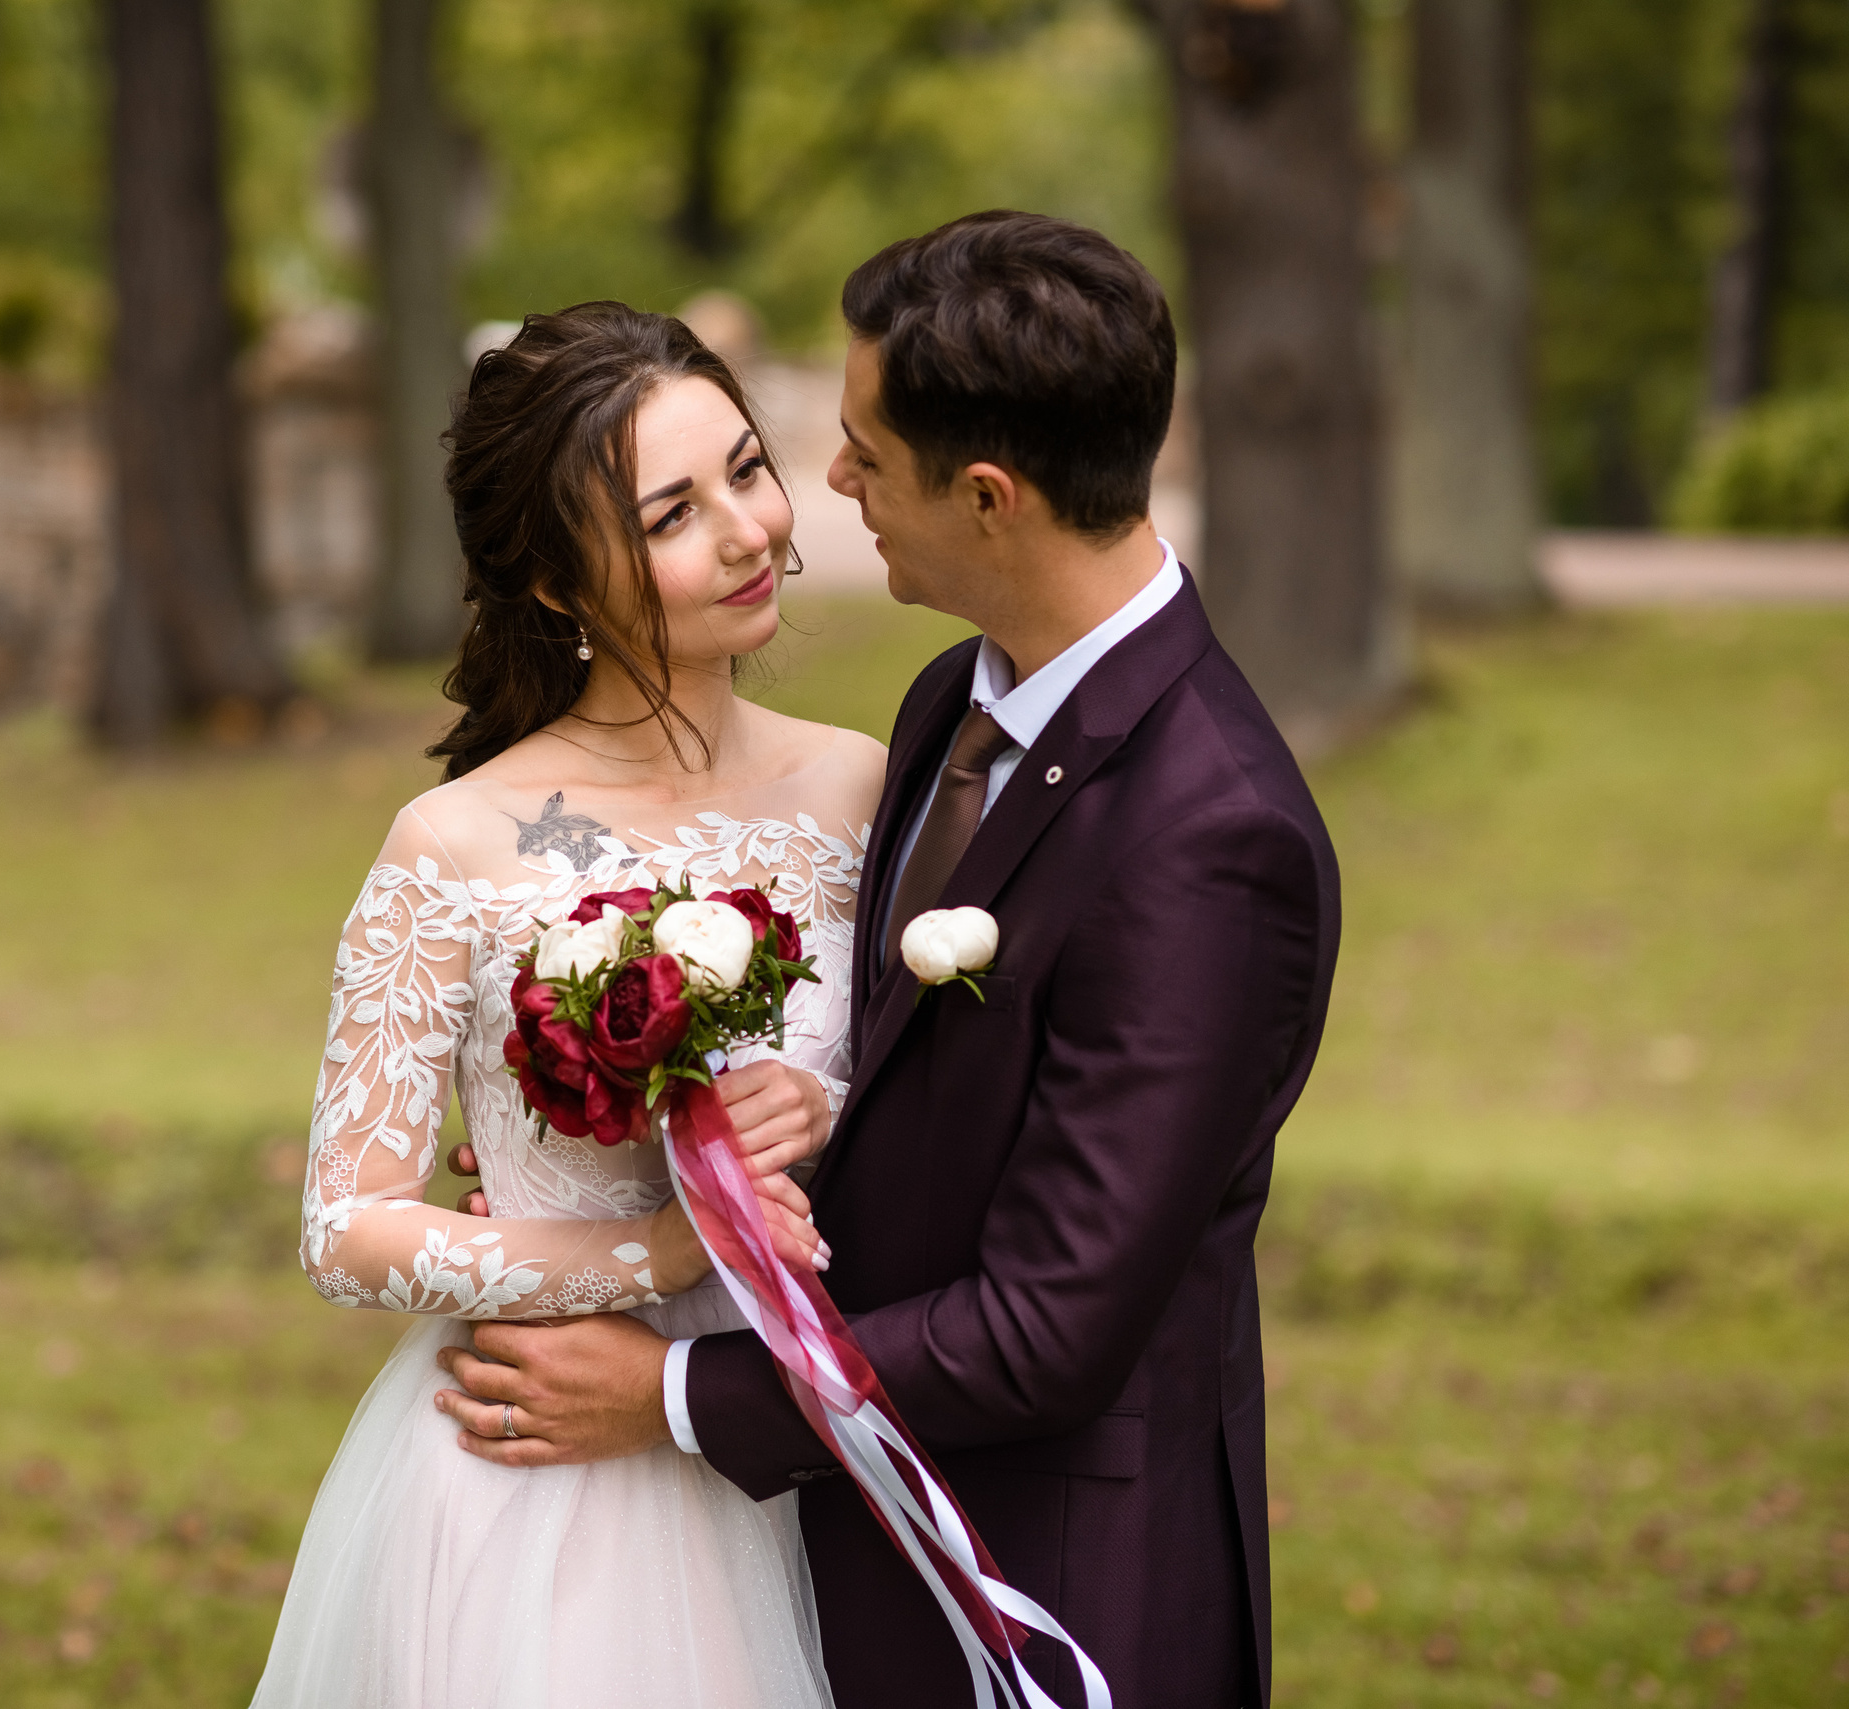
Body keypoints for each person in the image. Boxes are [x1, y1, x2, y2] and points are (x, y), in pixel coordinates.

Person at [433, 211, 1342, 1709]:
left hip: (1053, 1587)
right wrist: (626, 1149)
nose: (828, 484)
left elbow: (1050, 1326)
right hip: (835, 1547)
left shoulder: (1212, 839)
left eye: (862, 448)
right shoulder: (950, 706)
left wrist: (663, 1391)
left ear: (989, 496)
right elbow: (904, 1093)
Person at [250, 301, 885, 1709]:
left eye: (744, 469)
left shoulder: (864, 786)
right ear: (551, 581)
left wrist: (822, 1102)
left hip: (819, 1458)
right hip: (556, 1492)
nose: (744, 530)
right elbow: (347, 1228)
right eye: (671, 512)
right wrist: (649, 1255)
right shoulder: (456, 844)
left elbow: (931, 1090)